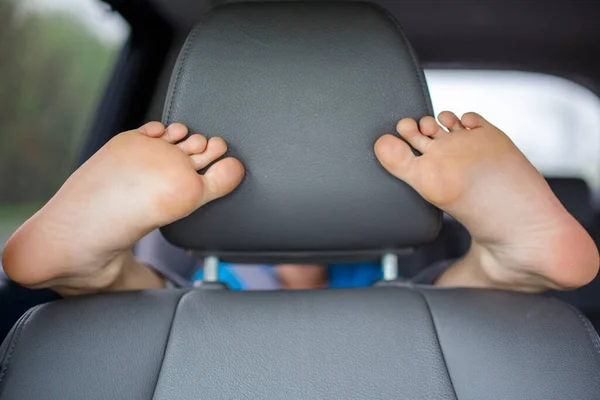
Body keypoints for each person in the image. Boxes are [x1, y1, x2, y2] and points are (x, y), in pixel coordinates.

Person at [2, 112, 598, 296]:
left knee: (162, 306)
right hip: (380, 312)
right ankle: (505, 267)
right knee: (440, 303)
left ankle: (95, 275)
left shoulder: (208, 278)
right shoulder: (395, 272)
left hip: (221, 307)